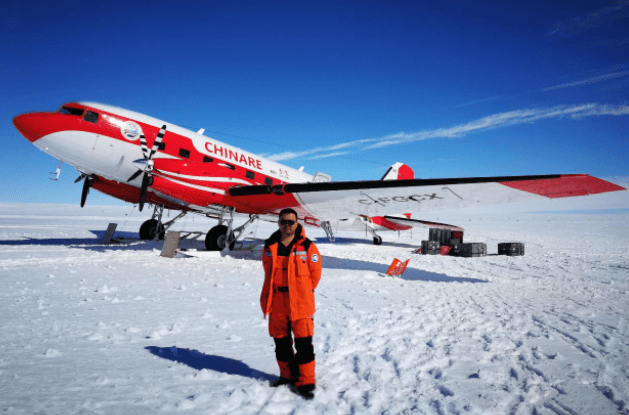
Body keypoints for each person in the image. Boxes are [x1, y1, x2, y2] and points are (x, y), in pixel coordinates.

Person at [260, 208, 322, 399]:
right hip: (278, 301)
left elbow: (315, 275)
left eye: (291, 222)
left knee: (304, 344)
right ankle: (287, 376)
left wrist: (300, 290)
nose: (287, 225)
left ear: (297, 223)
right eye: (283, 222)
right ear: (279, 223)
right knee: (281, 343)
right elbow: (268, 271)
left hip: (300, 302)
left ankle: (306, 381)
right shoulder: (270, 246)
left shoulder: (308, 247)